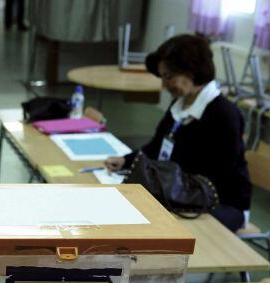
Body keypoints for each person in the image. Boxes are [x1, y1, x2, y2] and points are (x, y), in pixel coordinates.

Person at [104, 35, 251, 232]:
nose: (164, 85)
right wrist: (126, 161)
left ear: (191, 71)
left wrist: (165, 185)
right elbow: (157, 146)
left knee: (157, 224)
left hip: (222, 203)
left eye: (169, 77)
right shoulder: (180, 104)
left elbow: (217, 176)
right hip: (180, 192)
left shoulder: (225, 115)